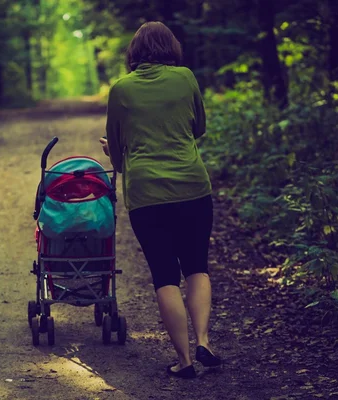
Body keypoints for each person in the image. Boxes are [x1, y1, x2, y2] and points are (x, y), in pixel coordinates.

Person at [100, 21, 222, 378]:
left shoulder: (120, 90)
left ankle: (184, 361)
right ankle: (203, 341)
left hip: (147, 195)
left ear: (134, 53)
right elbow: (198, 128)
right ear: (171, 48)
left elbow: (120, 159)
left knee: (164, 275)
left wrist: (113, 151)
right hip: (193, 188)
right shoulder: (185, 78)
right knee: (197, 266)